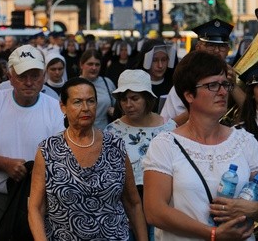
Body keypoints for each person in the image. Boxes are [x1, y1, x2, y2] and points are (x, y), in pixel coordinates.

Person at [143, 51, 258, 241]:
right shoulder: (165, 144)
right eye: (213, 85)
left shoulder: (244, 141)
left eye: (225, 84)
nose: (224, 92)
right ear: (189, 95)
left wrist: (251, 207)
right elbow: (154, 211)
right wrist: (213, 234)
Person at [0, 44, 64, 241]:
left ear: (43, 77)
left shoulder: (54, 108)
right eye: (22, 76)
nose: (29, 82)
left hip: (41, 201)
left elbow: (63, 157)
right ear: (10, 77)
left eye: (35, 75)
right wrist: (5, 164)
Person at [28, 77, 148, 240]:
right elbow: (36, 207)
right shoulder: (48, 150)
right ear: (63, 106)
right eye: (77, 102)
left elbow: (133, 203)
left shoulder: (115, 146)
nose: (85, 108)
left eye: (91, 101)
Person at [106, 69, 175, 240]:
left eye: (134, 98)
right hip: (126, 207)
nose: (128, 104)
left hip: (162, 204)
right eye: (123, 99)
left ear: (147, 99)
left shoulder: (168, 128)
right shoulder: (111, 131)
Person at [160, 19, 245, 125]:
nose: (217, 51)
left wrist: (233, 86)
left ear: (228, 50)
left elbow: (252, 114)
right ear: (198, 48)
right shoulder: (185, 80)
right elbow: (167, 125)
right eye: (210, 45)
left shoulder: (234, 77)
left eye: (222, 46)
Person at [134, 39, 177, 113]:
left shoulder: (174, 86)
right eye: (155, 60)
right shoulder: (134, 86)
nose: (160, 65)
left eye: (164, 60)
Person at [79, 49, 116, 129]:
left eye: (97, 64)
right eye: (90, 64)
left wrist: (114, 111)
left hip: (105, 132)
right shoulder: (73, 85)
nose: (94, 68)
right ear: (81, 65)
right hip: (80, 132)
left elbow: (118, 105)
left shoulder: (107, 82)